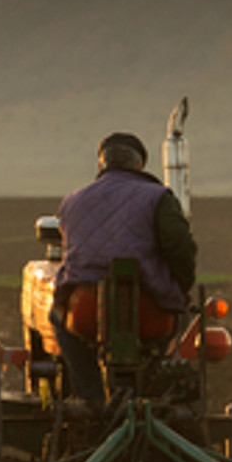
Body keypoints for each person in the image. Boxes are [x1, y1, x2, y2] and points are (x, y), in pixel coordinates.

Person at [50, 131, 197, 407]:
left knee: (58, 318)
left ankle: (91, 398)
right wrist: (181, 286)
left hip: (86, 311)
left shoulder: (72, 201)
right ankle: (155, 392)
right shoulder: (158, 198)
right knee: (182, 317)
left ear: (101, 165)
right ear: (139, 165)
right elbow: (180, 247)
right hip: (150, 309)